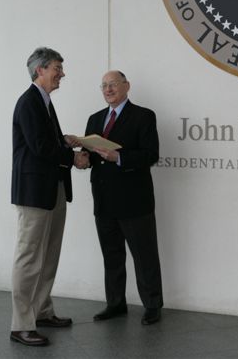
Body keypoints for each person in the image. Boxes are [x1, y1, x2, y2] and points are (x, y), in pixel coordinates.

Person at [10, 47, 88, 346]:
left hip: (52, 188)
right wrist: (72, 157)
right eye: (57, 67)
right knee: (29, 257)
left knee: (49, 255)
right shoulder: (29, 102)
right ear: (39, 70)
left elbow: (44, 142)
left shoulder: (44, 102)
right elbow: (40, 148)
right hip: (34, 193)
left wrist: (63, 140)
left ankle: (41, 312)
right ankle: (21, 325)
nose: (62, 73)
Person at [84, 70, 163, 325]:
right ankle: (115, 303)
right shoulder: (94, 119)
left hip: (134, 201)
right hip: (104, 200)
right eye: (104, 85)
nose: (108, 89)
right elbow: (92, 157)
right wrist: (81, 157)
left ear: (126, 86)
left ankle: (152, 305)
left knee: (144, 256)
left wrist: (119, 157)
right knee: (112, 255)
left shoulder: (144, 116)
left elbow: (151, 154)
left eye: (113, 84)